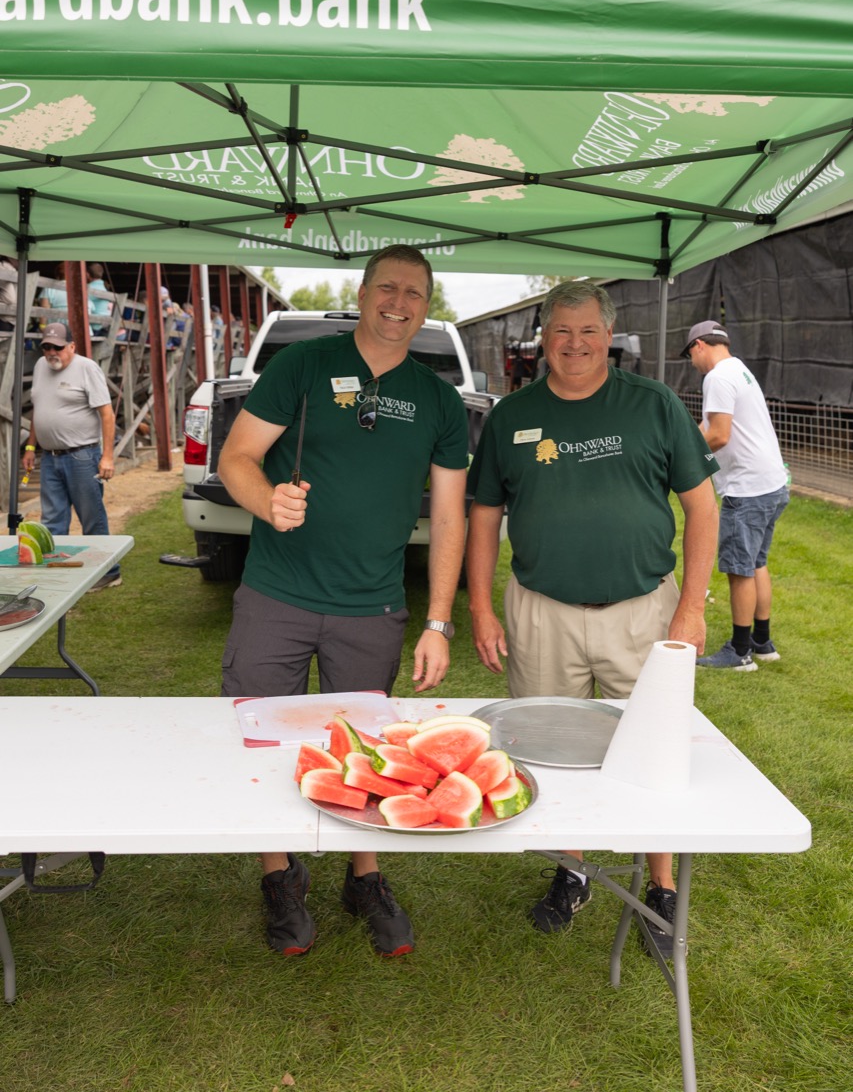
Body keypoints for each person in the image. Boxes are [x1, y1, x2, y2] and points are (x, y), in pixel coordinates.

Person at [217, 245, 468, 959]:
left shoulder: (438, 399)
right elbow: (236, 457)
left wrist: (439, 621)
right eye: (386, 287)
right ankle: (279, 872)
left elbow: (449, 515)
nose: (398, 302)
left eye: (413, 292)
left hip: (372, 604)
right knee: (263, 736)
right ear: (361, 294)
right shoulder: (302, 365)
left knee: (367, 749)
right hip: (277, 594)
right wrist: (266, 500)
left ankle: (364, 875)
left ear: (427, 306)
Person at [465, 281, 718, 957]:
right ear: (541, 339)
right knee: (547, 744)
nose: (573, 344)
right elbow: (483, 514)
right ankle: (571, 869)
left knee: (655, 748)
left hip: (642, 612)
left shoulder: (653, 404)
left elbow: (702, 506)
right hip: (542, 613)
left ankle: (660, 884)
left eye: (586, 331)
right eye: (560, 331)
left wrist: (691, 607)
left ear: (609, 337)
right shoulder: (512, 416)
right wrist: (481, 607)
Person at [683, 320, 789, 671]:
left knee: (739, 570)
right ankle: (762, 643)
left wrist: (684, 460)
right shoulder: (738, 369)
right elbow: (707, 426)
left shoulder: (716, 377)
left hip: (747, 489)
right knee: (756, 563)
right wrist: (683, 441)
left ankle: (740, 652)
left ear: (699, 345)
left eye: (690, 354)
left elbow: (718, 435)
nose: (692, 363)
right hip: (771, 483)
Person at [21, 322, 121, 590]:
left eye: (58, 347)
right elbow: (40, 410)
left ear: (72, 346)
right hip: (49, 457)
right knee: (52, 520)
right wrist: (30, 447)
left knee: (91, 517)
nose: (51, 352)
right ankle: (55, 572)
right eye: (46, 347)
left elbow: (107, 414)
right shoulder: (41, 366)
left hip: (82, 456)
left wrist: (107, 457)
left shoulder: (87, 368)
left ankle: (109, 573)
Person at [86, 263, 112, 337]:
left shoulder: (87, 288)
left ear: (87, 274)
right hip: (105, 325)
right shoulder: (104, 288)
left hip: (94, 327)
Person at [0, 256, 17, 331]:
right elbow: (10, 299)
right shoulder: (4, 267)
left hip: (10, 318)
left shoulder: (13, 270)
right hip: (6, 318)